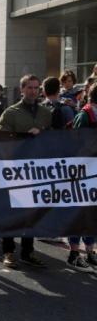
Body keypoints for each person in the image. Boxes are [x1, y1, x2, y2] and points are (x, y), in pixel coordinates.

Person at [0, 74, 52, 269]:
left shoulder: (46, 113)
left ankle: (28, 252)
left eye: (37, 88)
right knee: (11, 213)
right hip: (15, 170)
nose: (33, 91)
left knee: (32, 213)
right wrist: (26, 137)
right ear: (21, 90)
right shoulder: (10, 113)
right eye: (29, 87)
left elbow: (55, 139)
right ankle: (8, 251)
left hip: (38, 170)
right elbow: (2, 140)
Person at [68, 84, 97, 271]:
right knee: (79, 212)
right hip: (83, 171)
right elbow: (75, 143)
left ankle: (90, 250)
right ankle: (74, 252)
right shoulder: (84, 115)